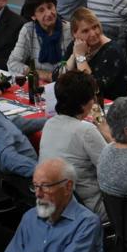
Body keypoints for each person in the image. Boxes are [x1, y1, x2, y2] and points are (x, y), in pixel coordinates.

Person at [0, 158, 103, 252]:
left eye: (45, 186)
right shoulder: (30, 217)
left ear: (68, 187)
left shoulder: (86, 224)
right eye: (35, 186)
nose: (38, 194)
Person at [38, 71, 111, 218]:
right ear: (86, 102)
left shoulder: (50, 123)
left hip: (54, 202)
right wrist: (107, 134)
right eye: (93, 96)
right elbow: (112, 171)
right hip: (86, 207)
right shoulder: (85, 130)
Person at [58, 8, 127, 100]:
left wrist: (80, 57)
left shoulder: (112, 51)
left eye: (95, 27)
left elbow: (92, 89)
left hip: (114, 106)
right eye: (85, 31)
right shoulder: (78, 45)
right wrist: (74, 55)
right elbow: (57, 78)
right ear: (75, 34)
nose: (93, 34)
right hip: (84, 103)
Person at [8, 0, 73, 80]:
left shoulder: (70, 30)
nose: (49, 13)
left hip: (65, 83)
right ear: (33, 16)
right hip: (38, 82)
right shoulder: (28, 30)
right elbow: (13, 63)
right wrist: (45, 75)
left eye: (50, 7)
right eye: (41, 10)